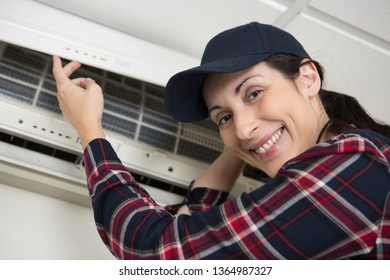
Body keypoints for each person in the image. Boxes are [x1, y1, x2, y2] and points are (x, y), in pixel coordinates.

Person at [52, 22, 390, 259]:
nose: (241, 128)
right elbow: (199, 238)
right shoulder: (346, 167)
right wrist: (247, 142)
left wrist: (90, 131)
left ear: (308, 78)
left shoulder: (354, 162)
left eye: (254, 93)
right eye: (223, 118)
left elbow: (153, 250)